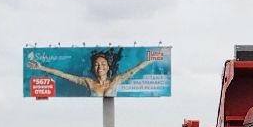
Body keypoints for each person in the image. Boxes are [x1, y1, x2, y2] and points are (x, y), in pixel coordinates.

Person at [26, 48, 157, 98]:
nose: (100, 67)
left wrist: (156, 56)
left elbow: (136, 68)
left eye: (103, 64)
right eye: (96, 64)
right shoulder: (88, 82)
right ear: (93, 68)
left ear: (108, 67)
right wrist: (42, 67)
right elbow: (63, 75)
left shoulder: (116, 80)